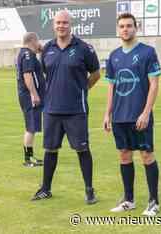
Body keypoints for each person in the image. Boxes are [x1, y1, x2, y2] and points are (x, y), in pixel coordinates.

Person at [31, 10, 101, 204]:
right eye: (58, 23)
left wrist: (83, 89)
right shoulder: (47, 49)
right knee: (50, 150)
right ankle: (45, 189)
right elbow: (47, 73)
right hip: (52, 110)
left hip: (76, 111)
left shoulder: (84, 48)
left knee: (82, 150)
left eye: (65, 23)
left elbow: (95, 73)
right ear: (54, 25)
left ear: (71, 25)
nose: (61, 26)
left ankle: (89, 191)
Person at [103, 13, 161, 216]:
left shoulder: (147, 52)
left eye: (129, 26)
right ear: (118, 30)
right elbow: (111, 87)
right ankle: (129, 200)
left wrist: (146, 113)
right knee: (124, 156)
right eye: (122, 26)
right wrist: (107, 114)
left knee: (146, 155)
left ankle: (154, 202)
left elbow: (154, 85)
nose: (125, 29)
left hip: (140, 116)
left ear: (136, 28)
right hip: (120, 116)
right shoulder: (113, 56)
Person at [16, 32, 45, 167]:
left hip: (27, 95)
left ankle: (30, 156)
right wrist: (34, 94)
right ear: (33, 40)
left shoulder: (27, 53)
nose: (39, 44)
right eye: (37, 41)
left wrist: (40, 52)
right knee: (31, 127)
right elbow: (27, 75)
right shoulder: (27, 54)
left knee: (32, 127)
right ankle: (28, 159)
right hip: (29, 96)